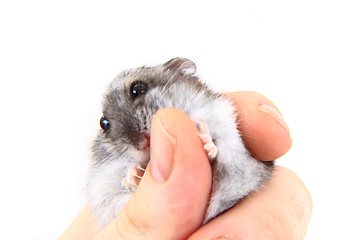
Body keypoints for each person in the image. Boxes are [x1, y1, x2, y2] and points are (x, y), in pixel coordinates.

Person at [59, 91, 312, 240]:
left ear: (181, 72)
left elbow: (245, 169)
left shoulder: (209, 111)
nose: (132, 131)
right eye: (107, 126)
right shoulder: (111, 171)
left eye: (137, 91)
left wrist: (214, 146)